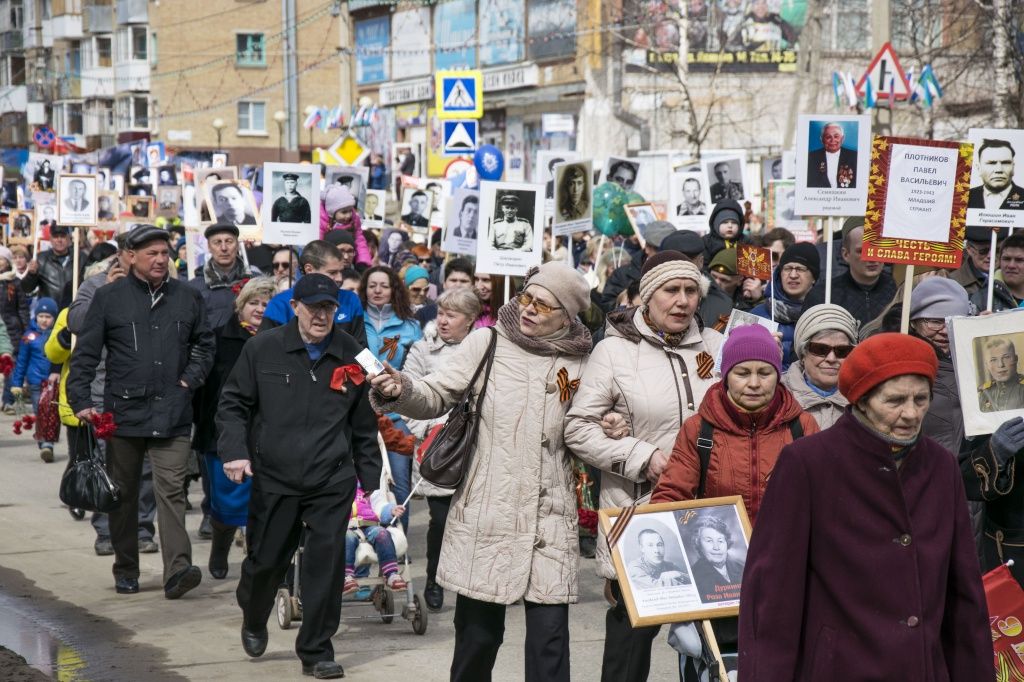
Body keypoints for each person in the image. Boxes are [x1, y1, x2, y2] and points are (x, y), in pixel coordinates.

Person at [370, 261, 592, 682]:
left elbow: (590, 424)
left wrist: (609, 425)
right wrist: (403, 391)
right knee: (477, 640)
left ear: (567, 316)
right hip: (488, 513)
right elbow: (436, 393)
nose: (527, 309)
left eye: (543, 306)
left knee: (550, 643)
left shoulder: (584, 360)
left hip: (550, 518)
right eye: (527, 297)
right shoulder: (487, 342)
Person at [739, 333, 993, 680]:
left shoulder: (941, 465)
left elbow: (963, 594)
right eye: (894, 400)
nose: (911, 413)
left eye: (921, 399)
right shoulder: (808, 463)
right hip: (838, 669)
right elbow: (773, 595)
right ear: (861, 399)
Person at [565, 250, 723, 682]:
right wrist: (643, 457)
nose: (683, 300)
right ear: (648, 297)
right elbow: (578, 429)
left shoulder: (717, 347)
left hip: (713, 515)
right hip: (644, 515)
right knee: (631, 645)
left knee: (712, 644)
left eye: (692, 291)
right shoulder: (614, 352)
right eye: (672, 290)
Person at [216, 274, 381, 680]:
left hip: (332, 478)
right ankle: (254, 613)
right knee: (266, 562)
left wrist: (373, 485)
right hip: (276, 476)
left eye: (329, 308)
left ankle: (316, 650)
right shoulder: (262, 348)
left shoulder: (355, 355)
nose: (322, 316)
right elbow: (232, 404)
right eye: (314, 308)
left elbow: (364, 424)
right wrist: (235, 452)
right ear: (295, 308)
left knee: (324, 566)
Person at [651, 323, 818, 673]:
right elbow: (671, 494)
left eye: (765, 372)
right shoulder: (700, 429)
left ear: (779, 374)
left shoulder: (802, 427)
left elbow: (825, 501)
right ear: (726, 375)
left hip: (786, 581)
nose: (754, 383)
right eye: (742, 373)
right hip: (719, 586)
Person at [69, 225, 215, 598]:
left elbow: (204, 344)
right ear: (128, 256)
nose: (161, 260)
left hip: (173, 413)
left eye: (165, 254)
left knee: (172, 492)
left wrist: (188, 380)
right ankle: (126, 567)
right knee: (123, 495)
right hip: (124, 414)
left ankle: (177, 570)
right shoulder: (108, 298)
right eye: (152, 253)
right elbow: (85, 353)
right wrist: (81, 399)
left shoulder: (187, 297)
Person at [64, 234, 158, 556]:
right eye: (131, 253)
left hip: (147, 392)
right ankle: (105, 531)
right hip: (106, 390)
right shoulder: (94, 283)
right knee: (106, 465)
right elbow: (75, 321)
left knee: (143, 468)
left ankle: (143, 528)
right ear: (122, 254)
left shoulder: (158, 284)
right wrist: (105, 292)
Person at [401, 288, 481, 611]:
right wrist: (427, 430)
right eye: (441, 314)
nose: (443, 321)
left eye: (452, 315)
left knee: (474, 522)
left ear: (471, 320)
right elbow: (407, 393)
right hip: (438, 450)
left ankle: (471, 582)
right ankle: (434, 577)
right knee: (441, 519)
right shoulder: (421, 349)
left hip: (476, 448)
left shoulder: (486, 349)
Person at [192, 277, 275, 581]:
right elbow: (204, 392)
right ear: (241, 306)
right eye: (254, 302)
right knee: (226, 504)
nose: (260, 309)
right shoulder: (218, 339)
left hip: (267, 435)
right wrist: (201, 429)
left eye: (267, 304)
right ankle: (220, 543)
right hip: (223, 434)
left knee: (263, 506)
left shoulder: (279, 340)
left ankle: (256, 562)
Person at [360, 266, 423, 530]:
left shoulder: (410, 325)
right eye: (372, 285)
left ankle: (398, 548)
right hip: (360, 412)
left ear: (393, 289)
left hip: (397, 415)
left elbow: (418, 369)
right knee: (362, 485)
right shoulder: (355, 320)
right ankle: (359, 549)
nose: (377, 290)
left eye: (383, 285)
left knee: (399, 481)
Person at [260, 240, 365, 345]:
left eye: (341, 271)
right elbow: (264, 349)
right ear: (309, 269)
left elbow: (362, 348)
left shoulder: (351, 300)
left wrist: (374, 362)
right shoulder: (279, 304)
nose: (339, 278)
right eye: (332, 272)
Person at [802, 220, 896, 326]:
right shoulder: (823, 295)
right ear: (846, 254)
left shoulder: (899, 293)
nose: (872, 258)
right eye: (862, 251)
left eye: (877, 249)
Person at [783, 304, 857, 429]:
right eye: (820, 349)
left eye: (842, 350)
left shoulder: (864, 398)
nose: (831, 359)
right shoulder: (776, 394)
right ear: (803, 353)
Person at [751, 242, 820, 369]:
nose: (793, 275)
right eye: (788, 268)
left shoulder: (823, 314)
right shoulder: (757, 315)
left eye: (800, 269)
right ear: (779, 273)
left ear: (814, 277)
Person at [10, 297, 58, 462]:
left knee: (51, 413)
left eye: (48, 317)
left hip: (53, 382)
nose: (44, 320)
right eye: (41, 316)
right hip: (36, 382)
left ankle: (47, 444)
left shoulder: (58, 335)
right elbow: (21, 362)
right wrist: (17, 384)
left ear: (54, 318)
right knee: (40, 412)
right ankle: (44, 439)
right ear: (36, 316)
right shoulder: (28, 337)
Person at [189, 223, 261, 330]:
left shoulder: (256, 282)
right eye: (217, 242)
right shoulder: (194, 287)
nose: (224, 248)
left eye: (229, 241)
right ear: (209, 247)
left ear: (237, 245)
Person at [598, 220, 677, 311]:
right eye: (659, 249)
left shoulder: (682, 273)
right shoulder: (622, 275)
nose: (664, 253)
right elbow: (607, 306)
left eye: (669, 248)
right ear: (647, 247)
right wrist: (629, 304)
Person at [344, 482, 407, 593]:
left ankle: (391, 574)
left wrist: (391, 511)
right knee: (347, 538)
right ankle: (346, 576)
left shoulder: (366, 485)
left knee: (383, 534)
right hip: (346, 525)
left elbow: (379, 504)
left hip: (369, 524)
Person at [20, 224, 85, 305]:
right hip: (49, 312)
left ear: (68, 238)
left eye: (62, 236)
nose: (59, 240)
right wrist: (31, 275)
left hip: (72, 309)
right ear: (50, 239)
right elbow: (27, 288)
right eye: (56, 237)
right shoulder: (41, 259)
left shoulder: (80, 257)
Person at [688, 515, 744, 603]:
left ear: (727, 543)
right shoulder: (694, 577)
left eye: (720, 541)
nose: (716, 547)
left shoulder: (742, 568)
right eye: (709, 541)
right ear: (698, 544)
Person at [319, 184, 372, 267]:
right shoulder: (322, 222)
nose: (348, 215)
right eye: (344, 212)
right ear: (332, 212)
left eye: (350, 211)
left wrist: (362, 261)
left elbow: (360, 241)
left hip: (348, 261)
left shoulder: (354, 220)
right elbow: (318, 245)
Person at [972, 231, 1024, 311]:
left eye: (1019, 260)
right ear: (999, 260)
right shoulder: (982, 300)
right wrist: (978, 322)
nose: (1011, 265)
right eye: (1006, 259)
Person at [415, 258, 475, 327]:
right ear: (444, 284)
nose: (458, 285)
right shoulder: (425, 314)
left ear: (472, 285)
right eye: (453, 280)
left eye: (463, 281)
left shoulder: (479, 315)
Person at [968, 138, 1024, 210]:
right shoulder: (965, 197)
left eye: (1005, 163)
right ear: (979, 168)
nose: (999, 170)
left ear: (1013, 168)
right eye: (991, 163)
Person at [952, 225, 1004, 294]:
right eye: (983, 251)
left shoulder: (1015, 277)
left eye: (997, 250)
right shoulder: (953, 283)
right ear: (969, 249)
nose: (991, 256)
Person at [806, 122, 858, 188]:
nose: (832, 140)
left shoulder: (855, 157)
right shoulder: (810, 157)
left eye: (836, 136)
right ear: (822, 139)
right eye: (828, 137)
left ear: (842, 139)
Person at [979, 336, 1024, 412]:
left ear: (1016, 359)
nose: (1000, 365)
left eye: (1006, 357)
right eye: (993, 360)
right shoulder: (983, 393)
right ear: (987, 365)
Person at [702, 199, 747, 263]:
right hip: (713, 272)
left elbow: (757, 266)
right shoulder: (707, 242)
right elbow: (703, 265)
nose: (730, 226)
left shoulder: (746, 241)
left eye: (734, 222)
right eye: (725, 222)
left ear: (740, 225)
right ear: (715, 224)